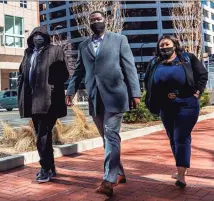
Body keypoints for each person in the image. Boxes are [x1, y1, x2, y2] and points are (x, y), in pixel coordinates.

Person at [65, 11, 141, 197]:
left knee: (111, 135)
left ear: (105, 21)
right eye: (92, 20)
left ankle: (108, 179)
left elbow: (129, 66)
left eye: (98, 19)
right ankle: (120, 172)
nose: (95, 22)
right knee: (106, 138)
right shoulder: (83, 45)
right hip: (94, 97)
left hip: (116, 95)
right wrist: (70, 90)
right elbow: (79, 71)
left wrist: (135, 92)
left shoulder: (119, 40)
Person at [144, 35, 208, 188]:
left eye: (167, 44)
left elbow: (202, 75)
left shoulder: (187, 58)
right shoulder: (154, 63)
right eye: (161, 45)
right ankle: (181, 167)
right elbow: (147, 80)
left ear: (174, 45)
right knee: (173, 138)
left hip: (187, 104)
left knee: (181, 136)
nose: (164, 47)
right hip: (165, 106)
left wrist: (198, 91)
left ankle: (181, 176)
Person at [17, 26, 69, 183]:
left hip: (49, 101)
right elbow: (21, 73)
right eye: (35, 35)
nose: (37, 37)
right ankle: (50, 166)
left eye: (41, 35)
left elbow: (64, 73)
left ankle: (45, 168)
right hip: (32, 101)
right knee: (42, 135)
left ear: (46, 37)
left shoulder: (55, 50)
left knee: (42, 136)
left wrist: (52, 87)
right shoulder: (28, 53)